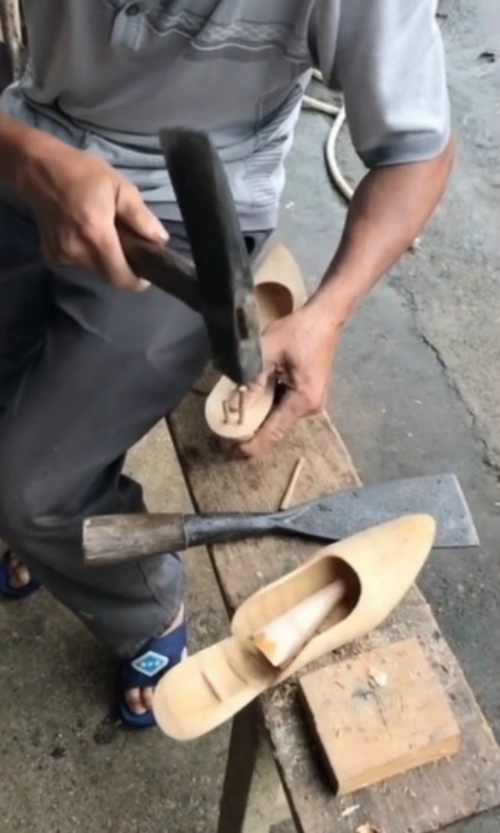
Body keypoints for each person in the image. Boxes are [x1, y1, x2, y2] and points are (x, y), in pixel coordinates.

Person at [0, 0, 454, 728]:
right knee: (28, 450)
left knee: (31, 488)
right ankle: (48, 537)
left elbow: (417, 152)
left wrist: (327, 314)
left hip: (181, 217)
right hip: (23, 140)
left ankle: (144, 604)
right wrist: (28, 158)